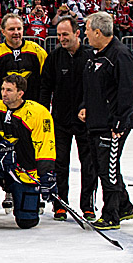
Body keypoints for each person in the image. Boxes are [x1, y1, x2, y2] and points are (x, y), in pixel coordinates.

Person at [0, 74, 56, 232]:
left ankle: (20, 198)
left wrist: (46, 175)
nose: (4, 93)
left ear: (20, 93)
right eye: (2, 89)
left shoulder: (38, 113)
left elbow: (45, 146)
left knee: (27, 222)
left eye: (9, 90)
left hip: (24, 169)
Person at [81, 11, 133, 231]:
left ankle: (111, 215)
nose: (85, 33)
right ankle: (124, 206)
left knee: (108, 169)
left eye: (87, 29)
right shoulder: (95, 55)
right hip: (96, 121)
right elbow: (92, 87)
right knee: (103, 166)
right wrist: (84, 107)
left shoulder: (120, 55)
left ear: (97, 31)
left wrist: (119, 124)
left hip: (112, 125)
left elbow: (127, 92)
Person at [39, 16, 97, 221]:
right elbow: (45, 88)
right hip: (60, 121)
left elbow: (97, 90)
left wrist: (89, 109)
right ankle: (60, 204)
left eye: (66, 34)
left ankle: (88, 205)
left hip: (85, 122)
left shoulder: (91, 56)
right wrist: (44, 114)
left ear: (77, 34)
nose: (62, 38)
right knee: (60, 164)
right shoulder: (54, 57)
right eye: (59, 35)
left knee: (88, 164)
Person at [0, 13, 47, 102]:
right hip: (4, 108)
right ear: (3, 31)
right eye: (11, 29)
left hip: (33, 106)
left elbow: (46, 79)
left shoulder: (37, 51)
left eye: (19, 29)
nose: (16, 33)